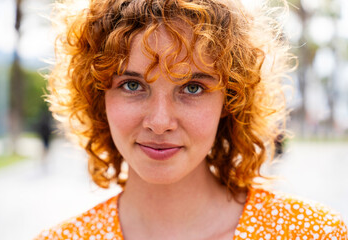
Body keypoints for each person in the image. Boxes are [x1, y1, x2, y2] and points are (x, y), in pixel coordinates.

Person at [35, 0, 347, 239]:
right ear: (97, 96)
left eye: (192, 88)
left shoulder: (315, 233)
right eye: (132, 85)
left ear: (231, 99)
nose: (160, 122)